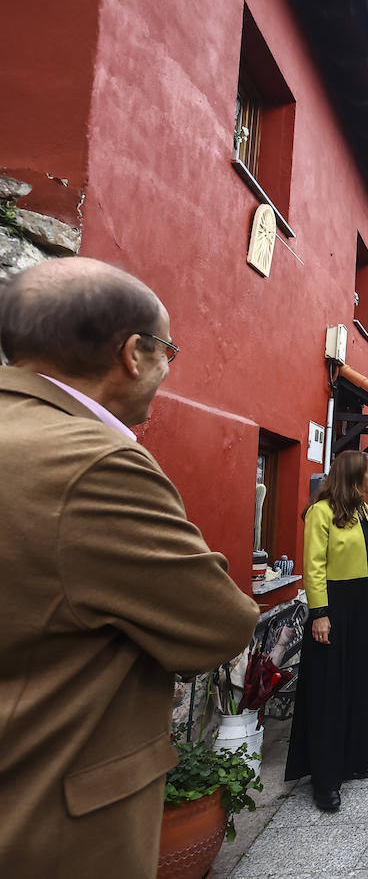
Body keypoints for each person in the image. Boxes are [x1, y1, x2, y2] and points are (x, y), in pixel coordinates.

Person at [0, 257, 260, 875]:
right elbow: (217, 623)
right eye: (169, 349)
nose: (168, 367)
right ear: (134, 353)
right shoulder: (97, 463)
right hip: (53, 823)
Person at [285, 449, 368, 811]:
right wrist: (320, 613)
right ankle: (324, 778)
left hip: (358, 602)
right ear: (354, 476)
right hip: (333, 605)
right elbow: (314, 567)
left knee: (356, 680)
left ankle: (351, 758)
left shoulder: (360, 512)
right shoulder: (320, 512)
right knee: (328, 686)